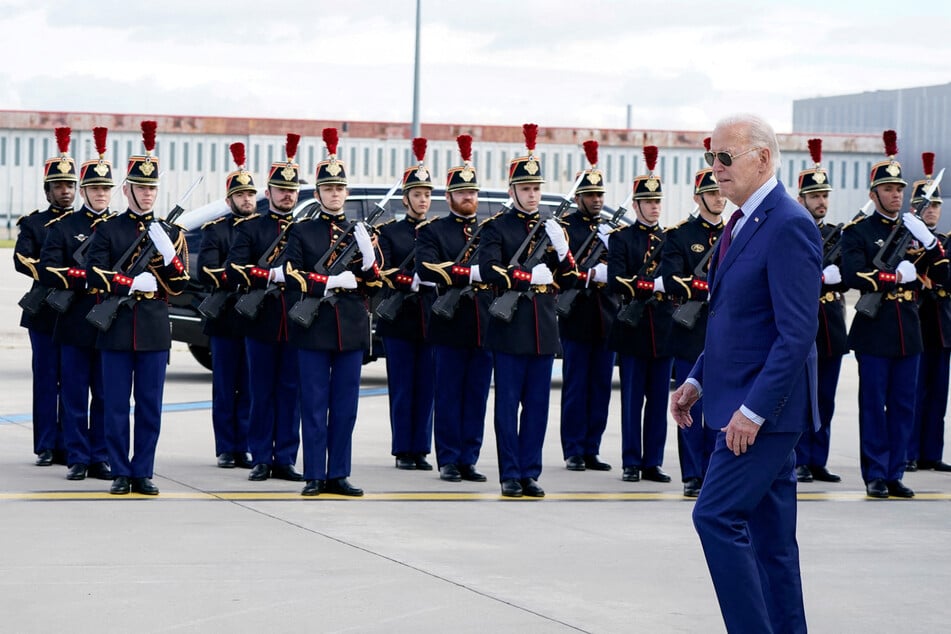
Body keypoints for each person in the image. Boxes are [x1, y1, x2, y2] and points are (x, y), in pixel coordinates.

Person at [670, 113, 821, 634]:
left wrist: (753, 411)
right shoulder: (740, 222)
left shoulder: (788, 223)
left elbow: (795, 334)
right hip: (734, 401)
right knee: (773, 545)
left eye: (725, 157)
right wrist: (696, 381)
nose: (716, 168)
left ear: (762, 157)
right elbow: (735, 323)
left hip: (759, 414)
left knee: (713, 517)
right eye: (711, 157)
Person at [840, 131, 949, 498]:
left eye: (899, 188)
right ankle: (874, 474)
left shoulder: (913, 230)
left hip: (909, 328)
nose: (896, 194)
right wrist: (893, 275)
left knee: (904, 405)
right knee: (873, 405)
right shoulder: (858, 231)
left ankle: (895, 471)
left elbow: (945, 273)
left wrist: (931, 244)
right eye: (888, 189)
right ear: (874, 194)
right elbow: (853, 272)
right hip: (875, 329)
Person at [85, 121, 190, 495]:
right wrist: (129, 282)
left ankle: (142, 470)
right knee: (115, 405)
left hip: (153, 327)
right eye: (141, 188)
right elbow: (93, 277)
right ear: (127, 189)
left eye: (152, 188)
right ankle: (119, 470)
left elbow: (179, 285)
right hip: (115, 326)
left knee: (149, 406)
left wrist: (166, 256)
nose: (147, 195)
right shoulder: (109, 230)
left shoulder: (171, 233)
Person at [282, 127, 382, 497]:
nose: (335, 194)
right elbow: (292, 275)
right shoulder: (302, 231)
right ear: (319, 192)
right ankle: (314, 475)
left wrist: (367, 258)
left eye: (340, 189)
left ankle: (338, 472)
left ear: (346, 192)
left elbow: (374, 280)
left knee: (344, 408)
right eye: (328, 189)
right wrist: (327, 282)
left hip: (351, 328)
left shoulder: (360, 232)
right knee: (313, 404)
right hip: (314, 327)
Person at [478, 123, 576, 498]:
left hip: (542, 328)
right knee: (507, 407)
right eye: (526, 189)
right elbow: (489, 269)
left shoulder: (552, 227)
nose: (533, 195)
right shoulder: (496, 227)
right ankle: (509, 473)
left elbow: (569, 276)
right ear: (512, 190)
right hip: (509, 326)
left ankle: (530, 472)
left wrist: (563, 251)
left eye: (536, 188)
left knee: (537, 407)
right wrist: (523, 276)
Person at [224, 134, 303, 483]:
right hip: (261, 318)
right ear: (267, 193)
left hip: (298, 319)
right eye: (280, 189)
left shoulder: (305, 229)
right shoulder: (251, 228)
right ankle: (261, 457)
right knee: (261, 392)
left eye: (293, 189)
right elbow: (235, 267)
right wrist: (268, 274)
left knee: (291, 392)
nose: (288, 195)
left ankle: (285, 457)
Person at [415, 134, 492, 484]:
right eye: (462, 193)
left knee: (476, 396)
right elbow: (425, 268)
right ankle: (447, 458)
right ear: (448, 197)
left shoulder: (490, 231)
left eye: (473, 193)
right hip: (449, 322)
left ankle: (469, 458)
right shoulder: (433, 231)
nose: (468, 198)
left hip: (484, 323)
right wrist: (468, 273)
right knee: (447, 394)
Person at [38, 127, 114, 481]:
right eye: (95, 188)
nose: (101, 194)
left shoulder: (120, 227)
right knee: (73, 393)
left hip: (110, 321)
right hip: (74, 319)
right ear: (84, 191)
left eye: (106, 189)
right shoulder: (64, 226)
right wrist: (84, 276)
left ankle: (100, 455)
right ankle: (77, 456)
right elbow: (49, 269)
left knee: (104, 393)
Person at [660, 140, 723, 496]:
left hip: (722, 333)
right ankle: (692, 474)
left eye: (719, 192)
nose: (718, 199)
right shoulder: (680, 235)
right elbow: (671, 279)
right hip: (691, 329)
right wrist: (705, 287)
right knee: (688, 403)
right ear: (698, 197)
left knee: (719, 404)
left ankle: (715, 472)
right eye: (710, 194)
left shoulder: (734, 231)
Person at [608, 146, 674, 484]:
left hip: (662, 330)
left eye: (657, 202)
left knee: (659, 402)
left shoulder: (669, 238)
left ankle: (653, 461)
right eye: (648, 202)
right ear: (635, 205)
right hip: (634, 329)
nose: (654, 206)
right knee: (632, 401)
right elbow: (616, 279)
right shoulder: (622, 239)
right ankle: (631, 461)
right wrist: (648, 285)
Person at [14, 127, 74, 467]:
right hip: (44, 312)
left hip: (74, 311)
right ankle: (46, 444)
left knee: (74, 380)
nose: (65, 192)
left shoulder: (89, 223)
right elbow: (22, 260)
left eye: (69, 186)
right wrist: (58, 273)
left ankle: (70, 441)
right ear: (47, 189)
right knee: (46, 379)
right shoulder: (35, 224)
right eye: (59, 186)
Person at [377, 138, 436, 472]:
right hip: (399, 317)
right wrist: (406, 280)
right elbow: (383, 268)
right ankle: (403, 449)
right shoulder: (392, 232)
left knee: (426, 387)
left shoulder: (437, 231)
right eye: (417, 195)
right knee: (402, 386)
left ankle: (421, 449)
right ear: (406, 198)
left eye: (427, 195)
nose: (423, 200)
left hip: (430, 317)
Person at [557, 140, 615, 472]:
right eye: (591, 195)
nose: (597, 200)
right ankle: (574, 448)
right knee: (577, 387)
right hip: (577, 317)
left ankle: (592, 447)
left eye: (600, 195)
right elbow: (563, 274)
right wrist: (590, 273)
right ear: (578, 197)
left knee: (601, 389)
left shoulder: (609, 229)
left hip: (605, 319)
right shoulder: (566, 228)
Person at [197, 142, 255, 469]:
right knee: (224, 388)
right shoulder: (215, 231)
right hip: (224, 318)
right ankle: (225, 447)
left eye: (250, 195)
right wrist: (241, 276)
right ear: (229, 199)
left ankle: (244, 445)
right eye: (240, 195)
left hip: (253, 319)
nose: (246, 200)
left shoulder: (262, 229)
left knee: (248, 388)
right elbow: (207, 270)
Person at [794, 138, 846, 484]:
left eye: (825, 196)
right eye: (815, 196)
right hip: (802, 325)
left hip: (831, 324)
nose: (821, 202)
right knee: (801, 399)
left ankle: (818, 459)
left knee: (825, 398)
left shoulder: (839, 234)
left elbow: (850, 270)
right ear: (802, 200)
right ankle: (798, 458)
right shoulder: (794, 231)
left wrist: (836, 278)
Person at [907, 153, 951, 472]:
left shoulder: (946, 242)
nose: (932, 210)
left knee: (937, 396)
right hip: (915, 325)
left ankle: (931, 454)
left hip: (943, 327)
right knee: (913, 393)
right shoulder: (905, 241)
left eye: (936, 205)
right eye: (927, 205)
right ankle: (908, 452)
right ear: (915, 210)